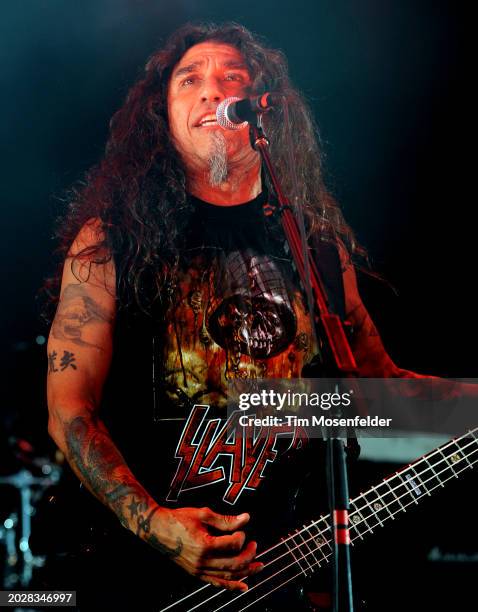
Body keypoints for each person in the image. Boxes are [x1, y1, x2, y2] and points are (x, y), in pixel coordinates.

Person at [45, 22, 425, 610]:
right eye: (188, 80)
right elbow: (69, 409)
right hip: (138, 574)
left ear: (263, 112)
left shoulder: (318, 248)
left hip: (277, 568)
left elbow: (381, 392)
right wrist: (155, 524)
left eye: (232, 78)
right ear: (163, 119)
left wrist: (466, 407)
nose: (211, 91)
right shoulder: (111, 242)